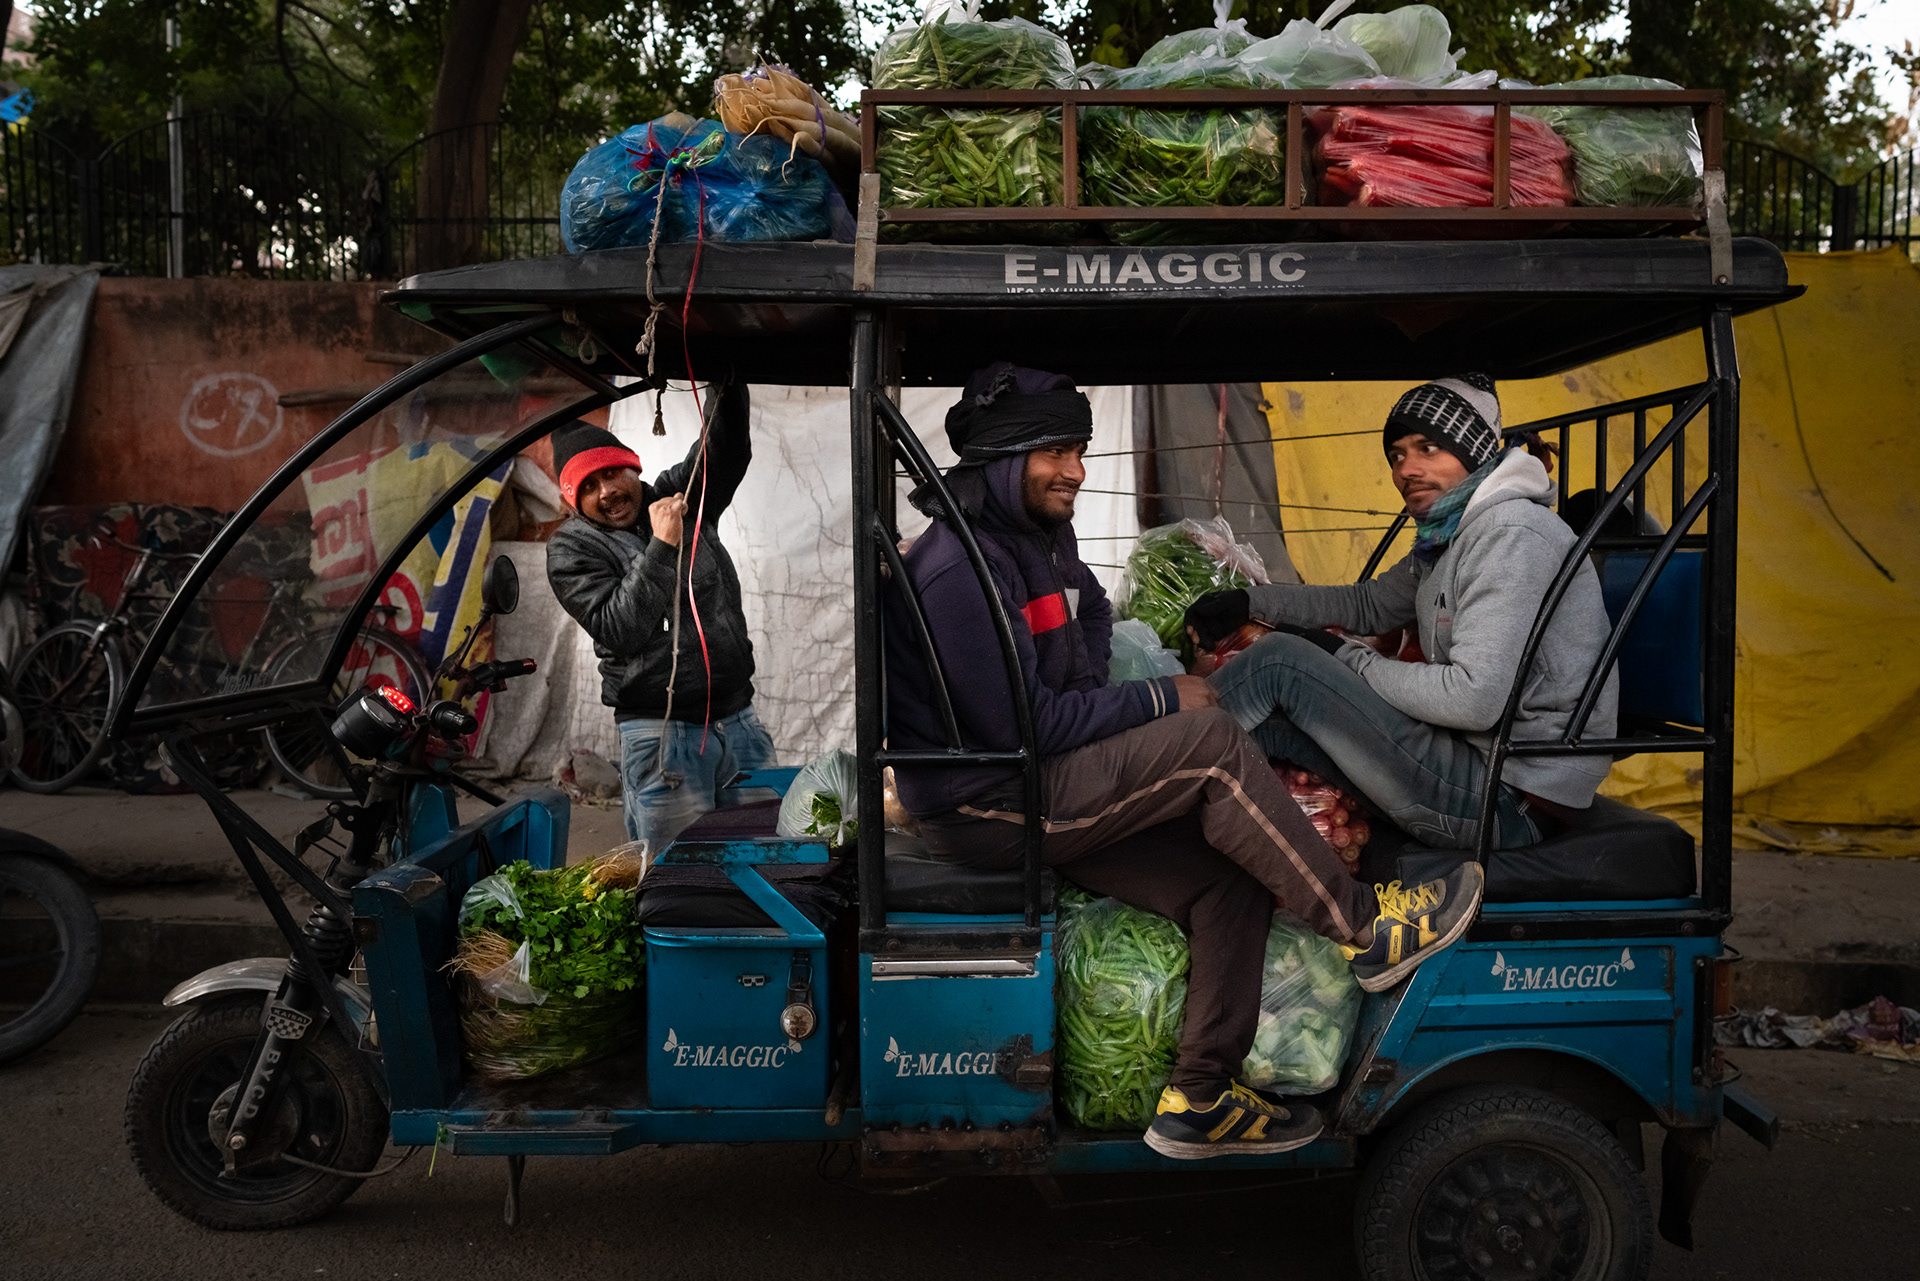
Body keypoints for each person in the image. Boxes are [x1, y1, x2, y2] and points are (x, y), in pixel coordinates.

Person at [884, 362, 1483, 1161]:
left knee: (1227, 870)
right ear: (1003, 458)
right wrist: (1161, 700)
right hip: (988, 803)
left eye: (1080, 450)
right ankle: (1364, 929)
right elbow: (1031, 727)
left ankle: (1199, 1094)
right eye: (1056, 452)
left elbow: (1092, 606)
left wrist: (1092, 674)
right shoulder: (961, 568)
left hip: (1039, 776)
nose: (1076, 470)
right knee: (1209, 741)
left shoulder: (1034, 535)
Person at [1185, 374, 1618, 852]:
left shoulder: (1510, 533)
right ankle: (1173, 802)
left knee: (1280, 661)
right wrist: (1252, 602)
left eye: (1427, 448)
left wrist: (1347, 657)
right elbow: (1366, 605)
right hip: (1476, 762)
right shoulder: (1451, 534)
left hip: (1509, 796)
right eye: (1396, 455)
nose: (1406, 468)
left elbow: (1473, 700)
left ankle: (1152, 762)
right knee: (1272, 726)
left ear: (1472, 454)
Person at [545, 387, 776, 850]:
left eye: (612, 473)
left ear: (634, 466)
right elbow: (620, 628)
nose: (607, 491)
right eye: (589, 487)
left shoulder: (680, 498)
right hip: (661, 735)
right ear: (575, 501)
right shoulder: (571, 548)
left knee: (768, 855)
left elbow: (724, 449)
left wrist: (725, 383)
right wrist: (662, 545)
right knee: (679, 875)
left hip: (739, 720)